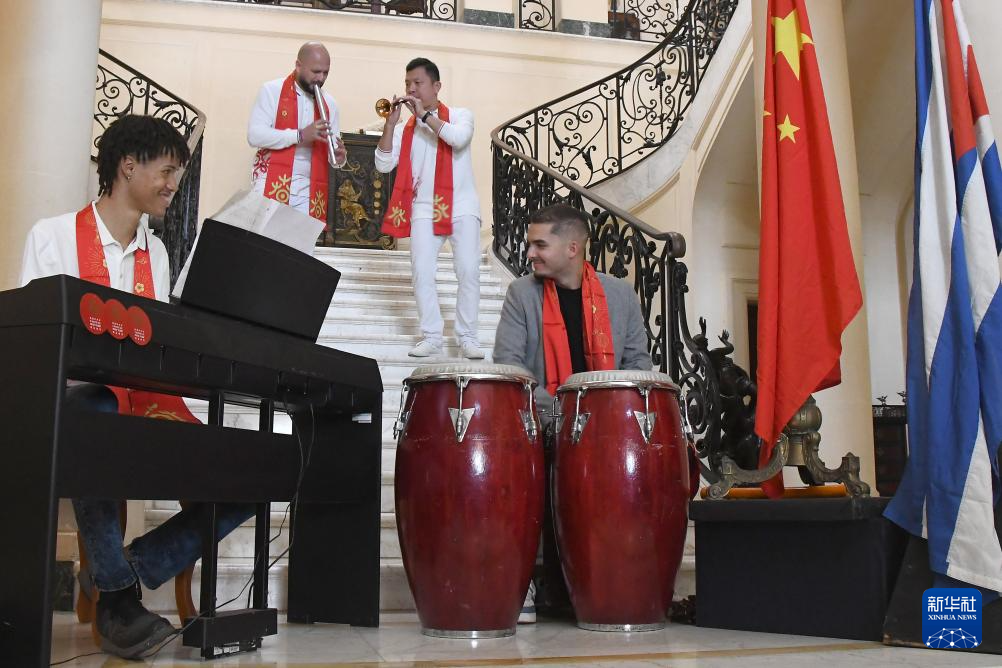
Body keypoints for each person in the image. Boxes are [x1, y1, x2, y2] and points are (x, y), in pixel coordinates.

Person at [20, 114, 254, 660]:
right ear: (128, 166)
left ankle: (122, 572)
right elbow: (37, 347)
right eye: (166, 171)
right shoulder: (53, 236)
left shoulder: (159, 254)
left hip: (146, 403)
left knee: (249, 476)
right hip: (77, 406)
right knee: (96, 404)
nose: (173, 185)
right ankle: (120, 601)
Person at [492, 203, 652, 623]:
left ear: (572, 248)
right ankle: (524, 577)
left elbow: (638, 365)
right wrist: (567, 415)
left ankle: (617, 575)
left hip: (607, 428)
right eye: (530, 244)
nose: (530, 253)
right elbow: (510, 368)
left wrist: (603, 415)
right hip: (544, 424)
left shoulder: (620, 295)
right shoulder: (521, 294)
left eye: (539, 245)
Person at [375, 57, 485, 359]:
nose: (411, 89)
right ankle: (432, 336)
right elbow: (383, 164)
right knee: (421, 273)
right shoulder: (404, 129)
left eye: (417, 83)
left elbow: (458, 139)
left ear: (436, 86)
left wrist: (424, 116)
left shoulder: (461, 115)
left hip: (462, 206)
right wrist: (390, 125)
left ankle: (468, 337)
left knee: (468, 272)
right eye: (407, 83)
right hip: (423, 207)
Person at [248, 41, 346, 221]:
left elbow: (333, 154)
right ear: (298, 65)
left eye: (325, 73)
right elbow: (254, 136)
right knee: (265, 238)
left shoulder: (330, 103)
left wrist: (338, 159)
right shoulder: (272, 90)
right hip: (269, 180)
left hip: (309, 189)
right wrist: (299, 135)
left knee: (301, 239)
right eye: (316, 71)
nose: (321, 78)